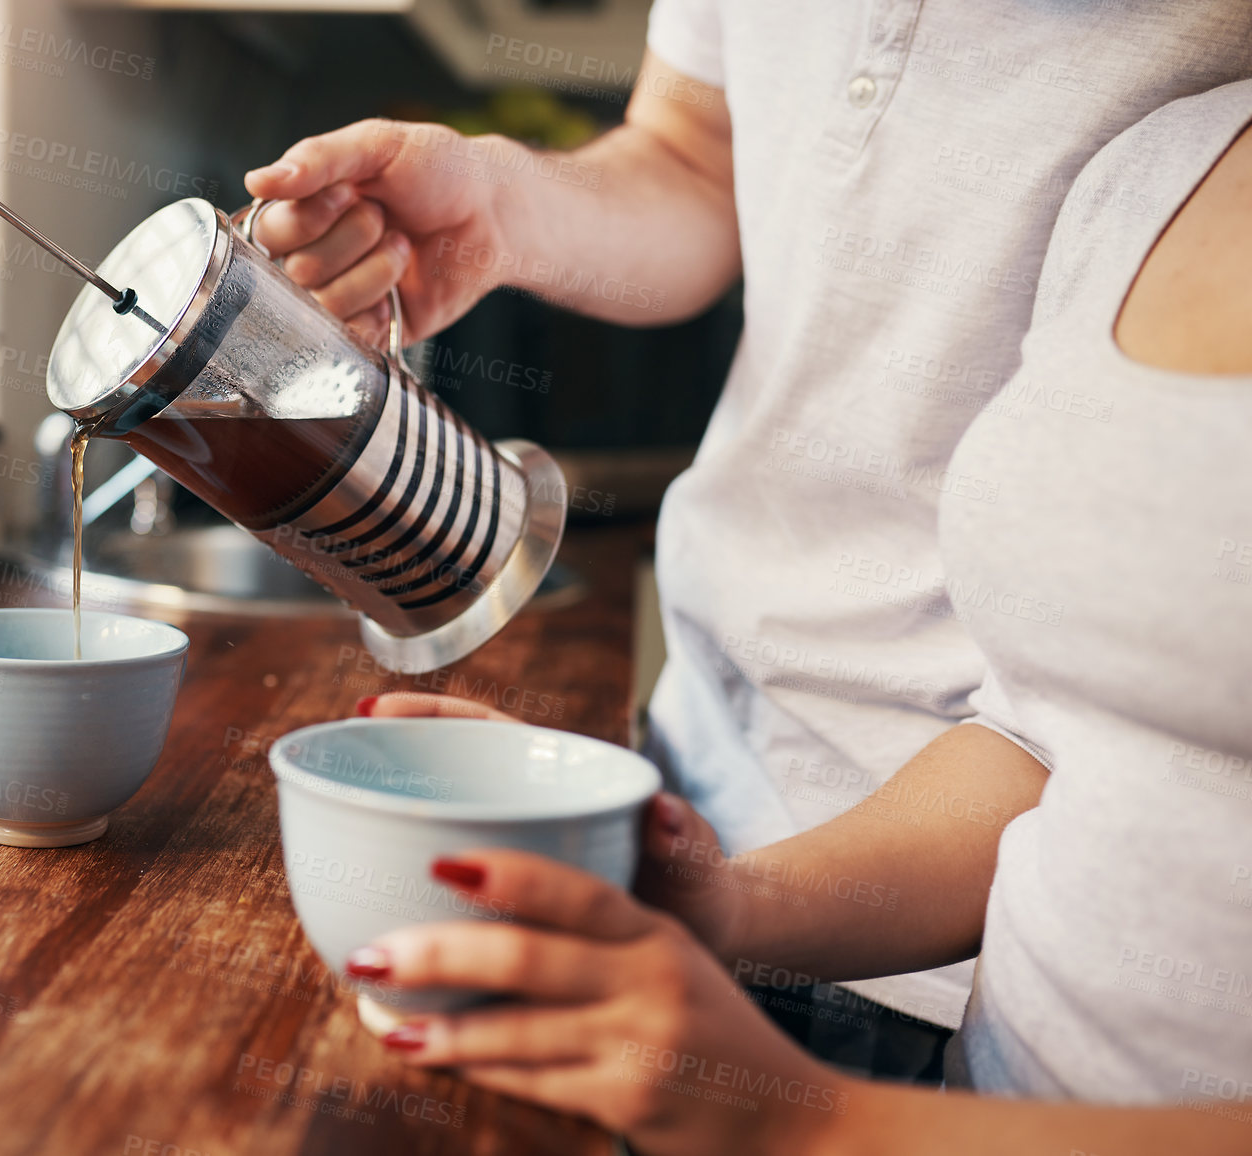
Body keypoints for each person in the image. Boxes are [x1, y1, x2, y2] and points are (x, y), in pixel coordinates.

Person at [245, 1, 1252, 1056]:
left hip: (953, 902)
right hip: (702, 765)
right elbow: (692, 154)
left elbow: (1070, 731)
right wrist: (503, 204)